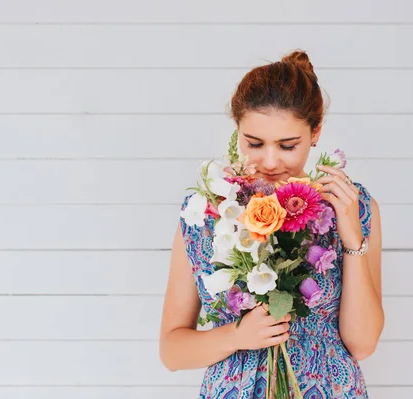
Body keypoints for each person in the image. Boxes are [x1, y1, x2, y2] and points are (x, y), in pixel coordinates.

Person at [159, 49, 384, 399]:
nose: (270, 160)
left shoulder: (352, 206)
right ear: (237, 133)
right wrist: (236, 336)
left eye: (287, 145)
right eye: (254, 143)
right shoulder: (207, 210)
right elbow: (172, 351)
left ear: (315, 133)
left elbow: (362, 344)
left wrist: (352, 237)